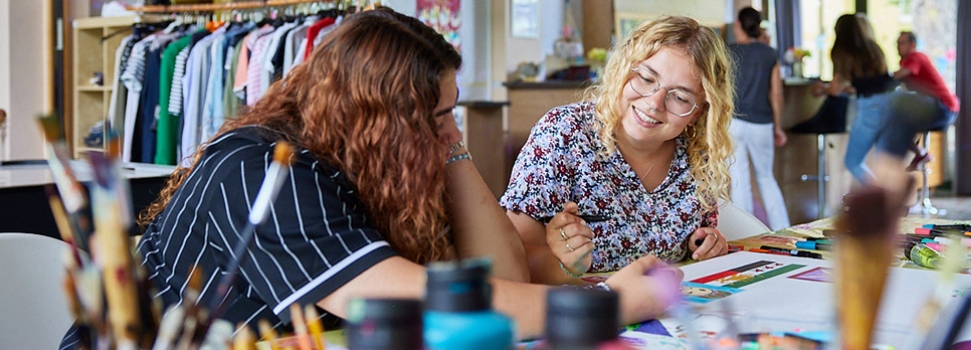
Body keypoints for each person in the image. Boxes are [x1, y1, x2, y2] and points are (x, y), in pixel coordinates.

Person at [61, 9, 676, 348]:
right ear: (383, 121)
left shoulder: (381, 162)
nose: (448, 130)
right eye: (437, 116)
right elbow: (444, 307)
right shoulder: (262, 171)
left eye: (451, 111)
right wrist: (609, 302)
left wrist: (450, 145)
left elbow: (503, 276)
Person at [500, 15, 734, 285]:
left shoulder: (695, 156)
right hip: (586, 316)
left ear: (699, 112)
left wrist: (707, 245)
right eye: (646, 78)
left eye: (680, 97)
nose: (654, 103)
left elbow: (696, 244)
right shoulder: (563, 133)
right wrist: (565, 266)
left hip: (671, 315)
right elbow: (512, 260)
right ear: (623, 70)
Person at [813, 13, 898, 184]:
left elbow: (835, 90)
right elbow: (872, 82)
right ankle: (891, 202)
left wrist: (822, 88)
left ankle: (882, 199)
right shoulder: (873, 48)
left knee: (853, 162)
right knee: (884, 163)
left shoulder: (841, 51)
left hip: (870, 108)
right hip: (892, 103)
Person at [726, 7, 790, 230]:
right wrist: (778, 126)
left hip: (733, 122)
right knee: (765, 177)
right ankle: (783, 228)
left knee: (739, 179)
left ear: (738, 26)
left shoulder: (727, 51)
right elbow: (776, 93)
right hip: (762, 123)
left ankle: (747, 233)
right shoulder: (769, 53)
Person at [889, 31, 958, 172]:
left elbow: (899, 75)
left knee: (894, 109)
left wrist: (877, 80)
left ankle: (915, 155)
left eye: (901, 43)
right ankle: (920, 153)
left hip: (943, 108)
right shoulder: (905, 61)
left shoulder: (915, 57)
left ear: (912, 45)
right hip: (941, 108)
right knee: (895, 123)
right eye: (897, 44)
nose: (898, 47)